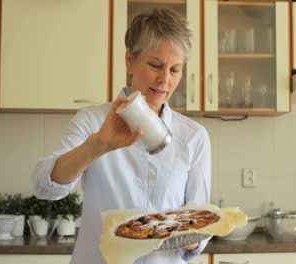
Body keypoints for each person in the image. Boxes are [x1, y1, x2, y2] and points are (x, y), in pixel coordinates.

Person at [32, 8, 211, 264]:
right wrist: (99, 144)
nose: (164, 80)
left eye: (175, 70)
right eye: (155, 65)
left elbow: (198, 225)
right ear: (130, 60)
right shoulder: (92, 120)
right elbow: (44, 187)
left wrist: (190, 233)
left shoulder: (194, 137)